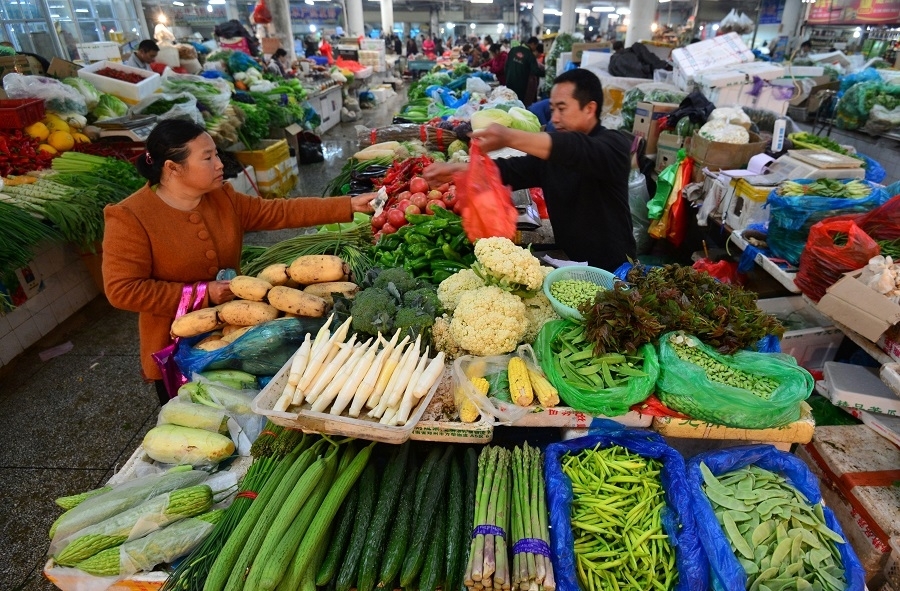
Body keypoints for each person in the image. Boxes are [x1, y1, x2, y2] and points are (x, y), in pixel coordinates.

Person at [102, 120, 377, 405]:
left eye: (217, 154)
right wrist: (203, 293)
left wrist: (348, 205)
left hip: (240, 331)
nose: (220, 164)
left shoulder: (222, 197)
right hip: (175, 347)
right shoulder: (129, 217)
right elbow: (122, 289)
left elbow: (278, 212)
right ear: (172, 167)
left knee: (247, 409)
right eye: (208, 157)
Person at [424, 69, 634, 271]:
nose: (554, 118)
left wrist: (509, 136)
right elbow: (509, 170)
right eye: (552, 110)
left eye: (562, 108)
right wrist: (455, 169)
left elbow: (575, 149)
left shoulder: (614, 146)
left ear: (589, 109)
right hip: (569, 264)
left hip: (614, 270)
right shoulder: (549, 159)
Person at [505, 37, 544, 106]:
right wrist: (546, 73)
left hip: (509, 83)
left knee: (508, 103)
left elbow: (506, 66)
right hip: (521, 86)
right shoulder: (530, 55)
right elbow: (535, 71)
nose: (535, 48)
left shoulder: (513, 50)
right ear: (532, 44)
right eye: (536, 46)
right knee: (518, 106)